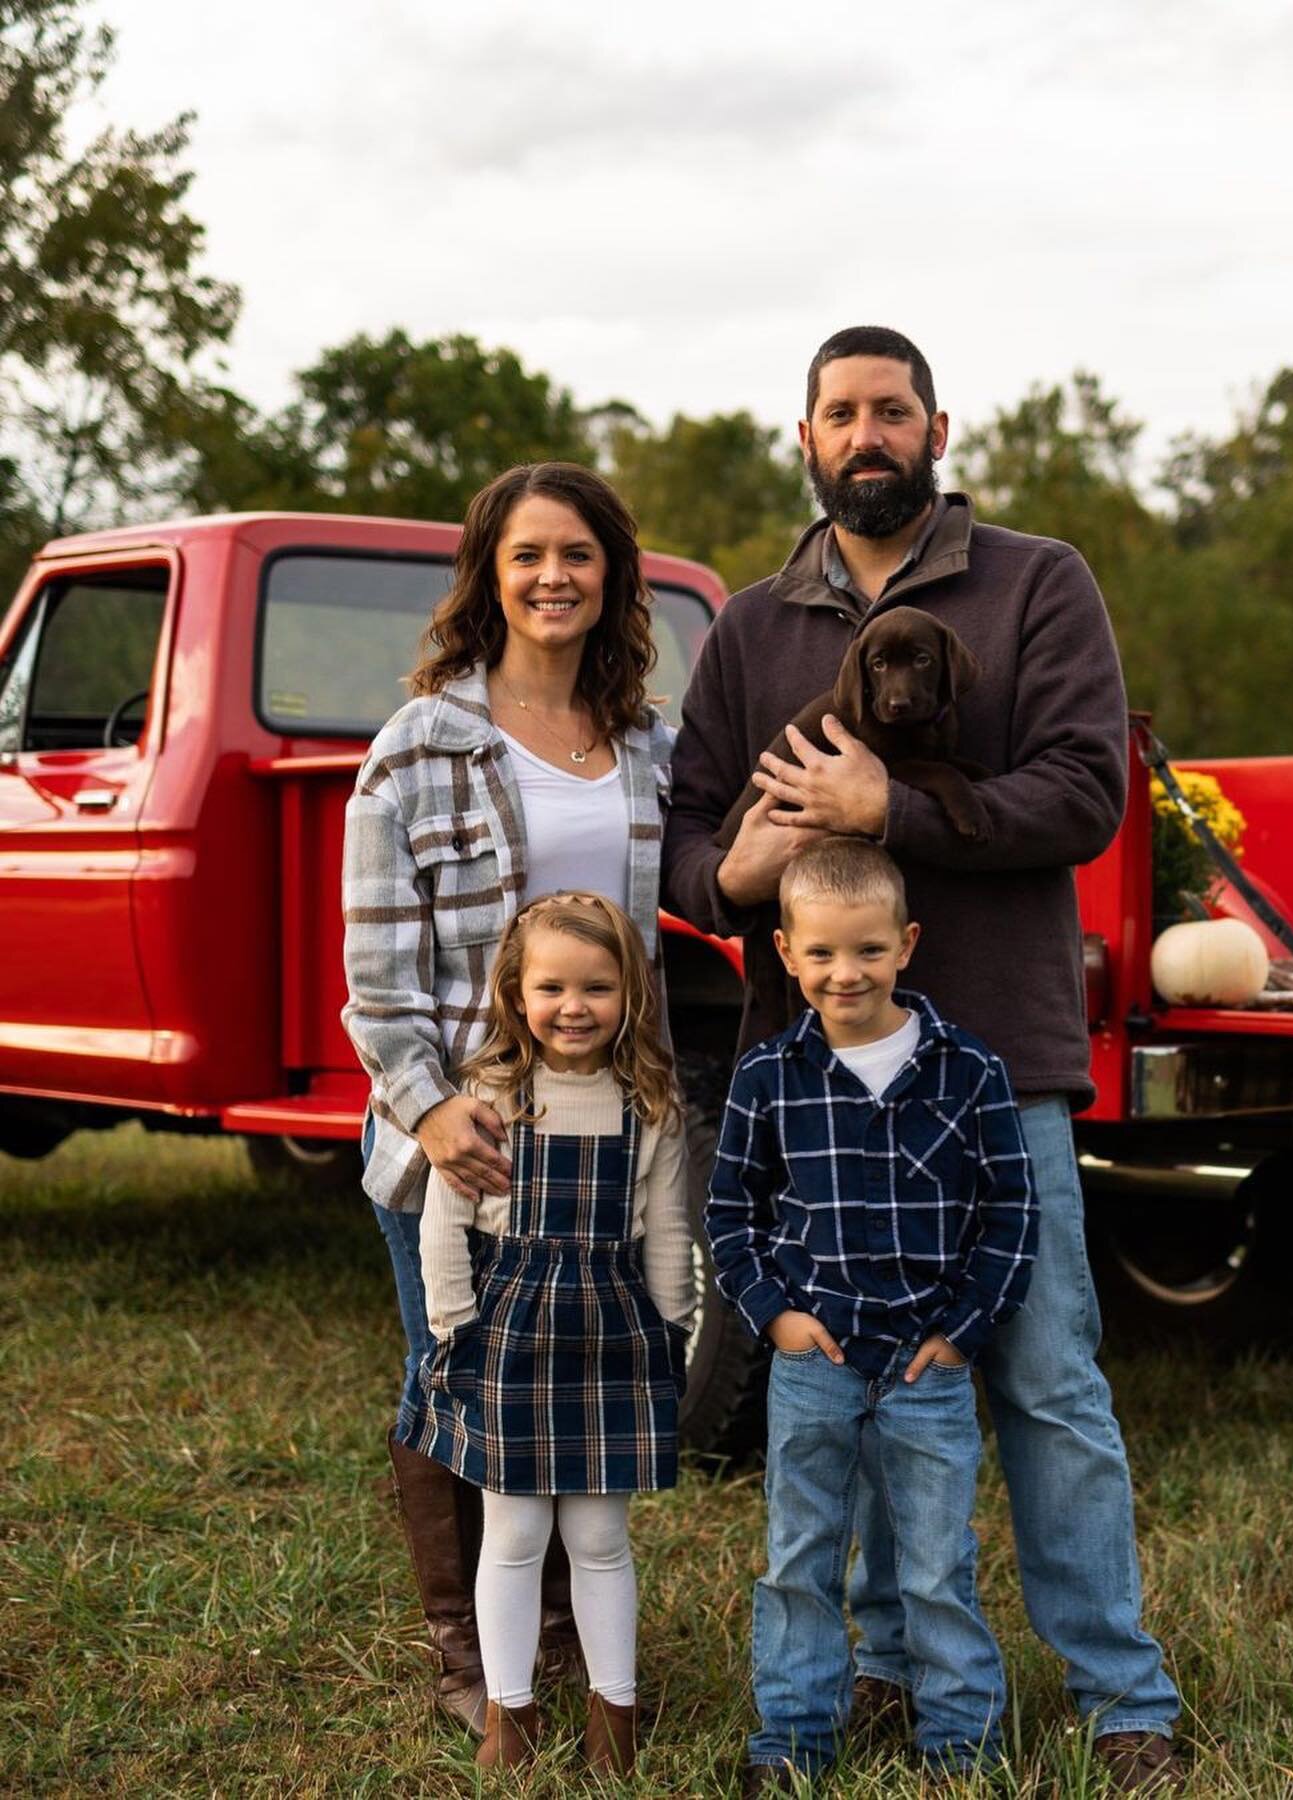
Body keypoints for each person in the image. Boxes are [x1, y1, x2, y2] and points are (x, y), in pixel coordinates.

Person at [663, 325, 1184, 1791]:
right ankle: (888, 1669)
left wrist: (890, 803)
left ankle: (1120, 1694)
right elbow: (692, 835)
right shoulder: (756, 627)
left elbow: (1084, 793)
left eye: (892, 409)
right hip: (822, 1076)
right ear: (809, 438)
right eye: (841, 412)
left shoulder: (1038, 582)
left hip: (996, 1057)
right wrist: (740, 872)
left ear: (938, 429)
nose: (866, 433)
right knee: (870, 1373)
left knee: (1043, 1373)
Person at [342, 462, 675, 1740]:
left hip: (599, 1126)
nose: (553, 576)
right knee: (459, 1376)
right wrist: (429, 1112)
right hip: (466, 1131)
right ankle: (471, 1660)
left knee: (571, 1379)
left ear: (612, 576)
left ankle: (569, 1650)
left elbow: (678, 896)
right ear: (488, 572)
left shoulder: (643, 742)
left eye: (579, 554)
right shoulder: (419, 743)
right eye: (528, 553)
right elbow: (377, 967)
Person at [706, 839, 1037, 1786]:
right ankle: (796, 1737)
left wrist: (965, 1331)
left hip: (927, 1364)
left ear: (906, 944)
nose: (844, 973)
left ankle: (960, 1745)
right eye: (821, 954)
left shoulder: (969, 1071)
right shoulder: (769, 1077)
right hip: (817, 1355)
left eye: (866, 951)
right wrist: (775, 1318)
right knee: (799, 1557)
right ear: (785, 953)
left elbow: (1013, 1212)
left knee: (936, 1564)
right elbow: (731, 1214)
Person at [406, 892, 692, 1773]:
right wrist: (454, 1328)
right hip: (508, 1337)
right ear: (515, 992)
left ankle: (616, 1713)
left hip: (610, 1337)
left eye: (598, 987)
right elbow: (444, 1224)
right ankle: (510, 1713)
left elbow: (669, 1229)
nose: (575, 1006)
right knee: (515, 1536)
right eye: (553, 987)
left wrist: (672, 1331)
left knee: (601, 1540)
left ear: (631, 993)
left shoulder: (648, 1104)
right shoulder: (491, 1094)